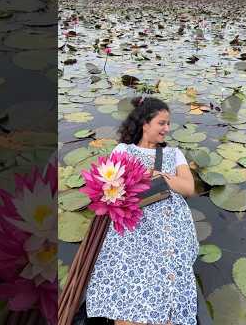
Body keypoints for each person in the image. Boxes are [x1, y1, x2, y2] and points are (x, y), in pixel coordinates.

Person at [85, 96, 200, 325]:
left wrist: (159, 176)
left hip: (169, 217)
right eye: (162, 123)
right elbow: (107, 185)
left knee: (167, 269)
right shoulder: (123, 150)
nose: (167, 129)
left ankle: (165, 315)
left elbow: (187, 188)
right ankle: (128, 315)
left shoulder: (173, 154)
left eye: (168, 123)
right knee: (127, 266)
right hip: (133, 217)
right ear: (145, 124)